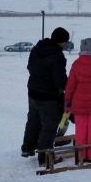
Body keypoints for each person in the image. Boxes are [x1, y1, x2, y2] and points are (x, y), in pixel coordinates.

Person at [22, 27, 69, 165]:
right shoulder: (57, 55)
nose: (65, 44)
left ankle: (28, 148)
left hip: (33, 91)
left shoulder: (37, 49)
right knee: (49, 125)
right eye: (65, 41)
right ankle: (45, 158)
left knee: (33, 120)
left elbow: (29, 67)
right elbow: (60, 80)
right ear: (60, 41)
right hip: (48, 96)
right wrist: (67, 87)